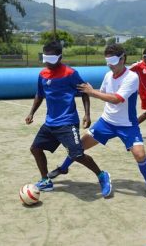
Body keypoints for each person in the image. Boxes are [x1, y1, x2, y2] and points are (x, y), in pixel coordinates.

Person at [48, 44, 146, 200]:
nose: (110, 65)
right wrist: (92, 91)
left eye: (113, 60)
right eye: (108, 61)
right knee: (78, 147)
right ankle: (63, 168)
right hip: (106, 122)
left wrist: (92, 92)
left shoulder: (132, 77)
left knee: (140, 155)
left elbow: (117, 99)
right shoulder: (108, 76)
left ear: (123, 58)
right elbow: (104, 93)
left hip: (127, 125)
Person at [25, 41, 111, 198]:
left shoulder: (70, 73)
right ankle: (45, 180)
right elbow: (40, 94)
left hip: (67, 121)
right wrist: (32, 113)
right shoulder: (42, 74)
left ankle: (101, 175)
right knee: (35, 149)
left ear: (60, 57)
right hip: (50, 122)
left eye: (51, 60)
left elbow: (84, 91)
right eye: (46, 59)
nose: (48, 63)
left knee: (77, 154)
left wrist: (87, 114)